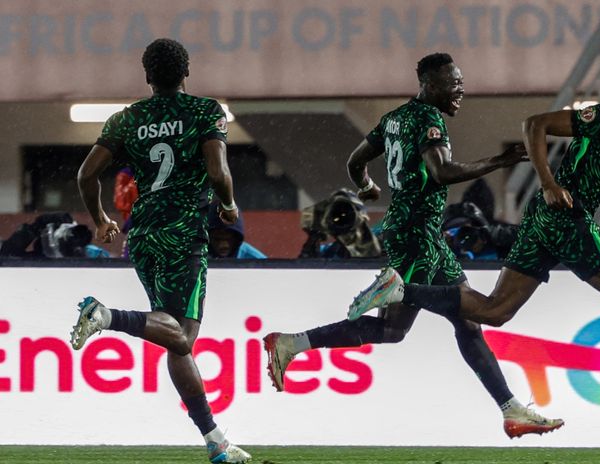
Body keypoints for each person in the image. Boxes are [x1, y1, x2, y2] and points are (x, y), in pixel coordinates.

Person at [349, 56, 600, 437]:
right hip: (565, 220)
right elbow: (535, 125)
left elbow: (591, 174)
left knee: (495, 312)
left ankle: (399, 289)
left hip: (546, 220)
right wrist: (546, 182)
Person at [263, 52, 562, 438]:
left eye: (460, 83)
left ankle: (511, 410)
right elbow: (442, 172)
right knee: (400, 329)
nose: (460, 90)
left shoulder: (394, 119)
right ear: (429, 85)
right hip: (418, 233)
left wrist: (367, 186)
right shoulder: (428, 120)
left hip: (419, 232)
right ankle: (318, 329)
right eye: (452, 83)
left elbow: (356, 160)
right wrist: (498, 161)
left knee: (461, 325)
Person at [70, 38, 250, 463]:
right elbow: (217, 171)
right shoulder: (205, 111)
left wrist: (99, 220)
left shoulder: (127, 119)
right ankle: (105, 315)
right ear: (186, 73)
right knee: (183, 336)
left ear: (148, 76)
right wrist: (227, 206)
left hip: (144, 233)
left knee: (172, 336)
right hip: (185, 230)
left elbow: (86, 174)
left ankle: (215, 440)